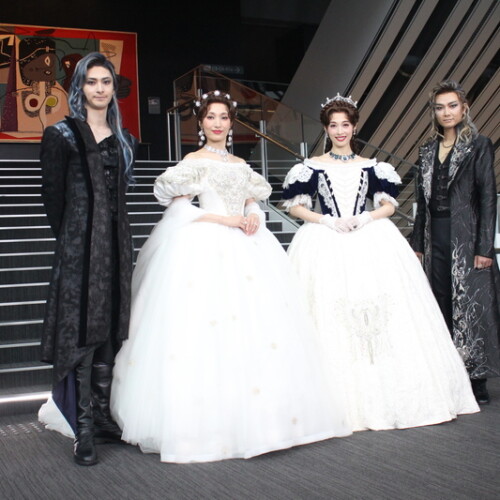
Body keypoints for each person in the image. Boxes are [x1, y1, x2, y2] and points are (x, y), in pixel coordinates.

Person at [110, 90, 351, 463]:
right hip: (209, 244)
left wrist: (253, 213)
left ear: (231, 122)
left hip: (249, 244)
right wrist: (226, 219)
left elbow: (253, 199)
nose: (218, 123)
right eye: (211, 117)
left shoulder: (241, 165)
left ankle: (268, 419)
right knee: (211, 326)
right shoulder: (193, 162)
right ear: (201, 122)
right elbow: (178, 211)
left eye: (224, 117)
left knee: (262, 327)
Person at [281, 94, 479, 432]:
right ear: (326, 129)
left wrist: (366, 217)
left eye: (345, 124)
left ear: (354, 127)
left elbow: (388, 205)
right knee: (327, 309)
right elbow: (296, 207)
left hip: (370, 236)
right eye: (333, 125)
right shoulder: (310, 167)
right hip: (325, 238)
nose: (340, 131)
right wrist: (326, 220)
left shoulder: (373, 166)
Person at [37, 52, 137, 466]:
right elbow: (53, 199)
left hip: (116, 246)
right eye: (92, 81)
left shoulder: (124, 139)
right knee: (82, 332)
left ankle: (101, 416)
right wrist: (76, 238)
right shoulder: (61, 135)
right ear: (80, 86)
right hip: (79, 248)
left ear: (113, 88)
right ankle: (83, 427)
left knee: (110, 328)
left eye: (106, 82)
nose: (100, 89)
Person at [411, 80, 500, 404]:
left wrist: (484, 247)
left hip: (466, 235)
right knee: (441, 303)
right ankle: (448, 374)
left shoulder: (479, 145)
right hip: (434, 234)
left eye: (452, 106)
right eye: (440, 107)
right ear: (434, 112)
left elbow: (488, 198)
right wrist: (417, 245)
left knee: (472, 306)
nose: (446, 112)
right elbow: (421, 202)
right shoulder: (426, 150)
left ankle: (476, 378)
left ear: (464, 108)